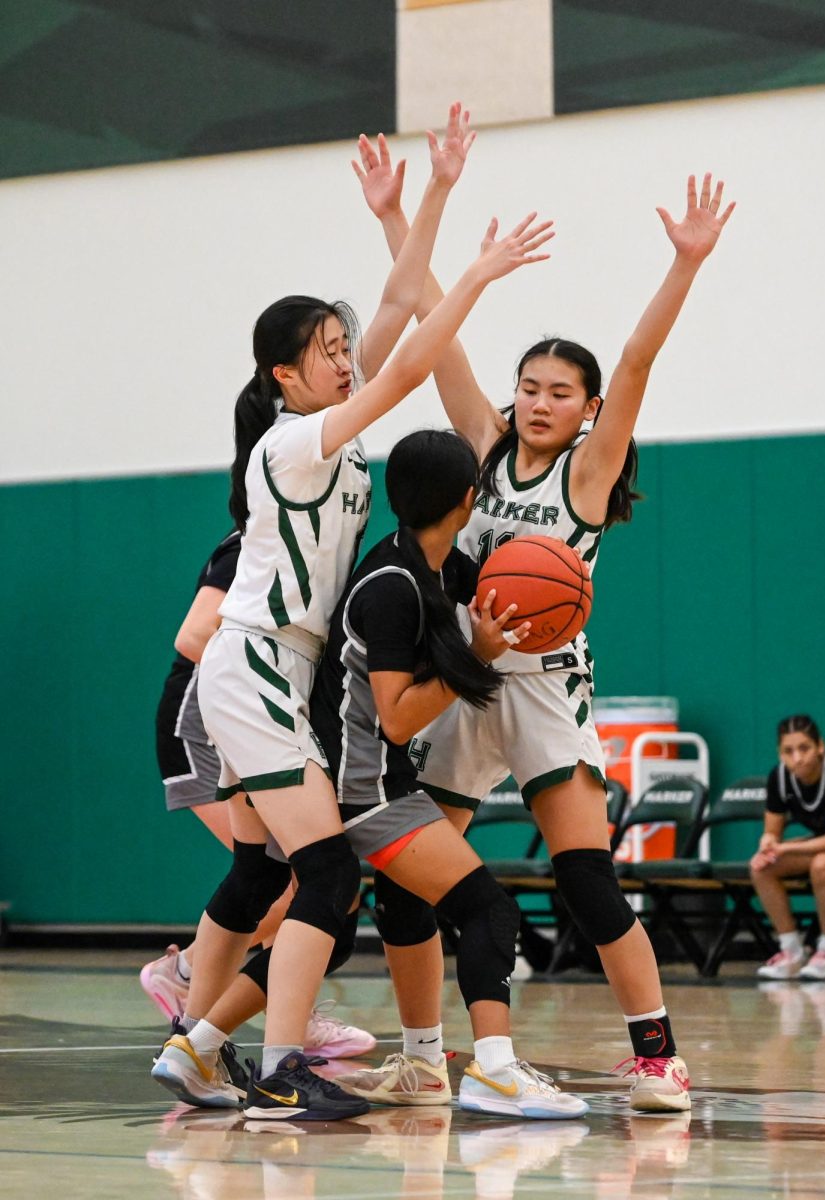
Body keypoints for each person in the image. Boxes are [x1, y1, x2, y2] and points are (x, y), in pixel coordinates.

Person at [152, 102, 555, 1122]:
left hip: (284, 679)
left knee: (272, 870)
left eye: (343, 344)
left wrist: (427, 196)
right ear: (285, 375)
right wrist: (481, 272)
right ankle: (277, 1060)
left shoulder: (329, 421)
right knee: (325, 871)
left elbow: (394, 309)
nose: (345, 355)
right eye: (327, 349)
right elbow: (416, 359)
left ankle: (200, 1046)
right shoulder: (291, 441)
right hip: (251, 668)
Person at [356, 152, 736, 1113]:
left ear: (586, 411)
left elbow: (639, 360)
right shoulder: (482, 451)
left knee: (586, 877)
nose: (536, 400)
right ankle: (416, 1054)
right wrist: (399, 217)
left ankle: (656, 1057)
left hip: (542, 685)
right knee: (407, 882)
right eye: (529, 385)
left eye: (557, 391)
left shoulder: (586, 474)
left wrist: (684, 263)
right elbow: (440, 344)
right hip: (458, 682)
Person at [310, 428, 587, 1119]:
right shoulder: (391, 587)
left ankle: (424, 1066)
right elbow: (398, 718)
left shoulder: (438, 567)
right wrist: (480, 650)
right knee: (487, 908)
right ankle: (492, 1068)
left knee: (382, 912)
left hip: (376, 780)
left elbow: (512, 599)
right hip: (361, 788)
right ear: (468, 500)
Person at [143, 528, 376, 1059]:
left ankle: (252, 1007)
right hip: (204, 723)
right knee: (293, 880)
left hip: (257, 718)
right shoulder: (256, 538)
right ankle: (189, 977)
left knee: (296, 880)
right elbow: (194, 635)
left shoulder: (315, 535)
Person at [752, 715, 825, 981]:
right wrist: (769, 844)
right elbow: (772, 832)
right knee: (762, 866)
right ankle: (792, 951)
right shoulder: (779, 777)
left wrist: (786, 848)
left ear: (820, 746)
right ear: (779, 754)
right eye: (788, 751)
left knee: (823, 866)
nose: (797, 757)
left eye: (804, 748)